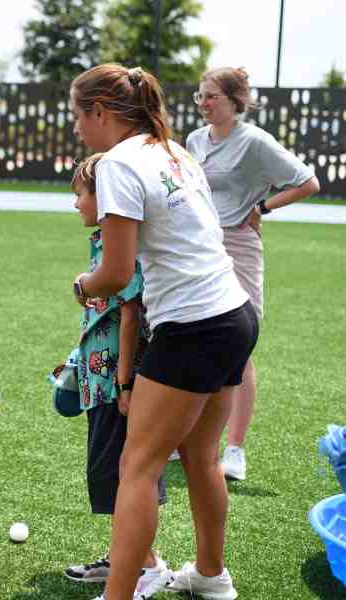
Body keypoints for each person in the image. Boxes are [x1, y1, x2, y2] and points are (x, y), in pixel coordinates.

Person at [69, 65, 259, 600]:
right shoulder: (175, 151)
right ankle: (211, 576)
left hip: (194, 328)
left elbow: (117, 273)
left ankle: (119, 596)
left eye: (78, 117)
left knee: (137, 465)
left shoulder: (118, 164)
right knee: (202, 457)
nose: (77, 129)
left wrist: (82, 286)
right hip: (235, 316)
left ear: (100, 113)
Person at [187, 67, 320, 481]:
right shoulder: (194, 141)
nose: (203, 103)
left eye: (211, 96)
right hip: (203, 247)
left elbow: (308, 182)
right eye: (200, 96)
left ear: (234, 101)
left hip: (241, 247)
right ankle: (188, 437)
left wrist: (261, 209)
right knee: (192, 336)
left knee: (238, 346)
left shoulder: (255, 141)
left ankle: (235, 450)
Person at [61, 153, 171, 599]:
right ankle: (127, 557)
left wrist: (125, 384)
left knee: (119, 472)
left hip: (114, 384)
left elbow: (129, 318)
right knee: (112, 470)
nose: (75, 204)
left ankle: (145, 565)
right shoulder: (103, 240)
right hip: (99, 378)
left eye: (79, 195)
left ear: (101, 197)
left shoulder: (116, 246)